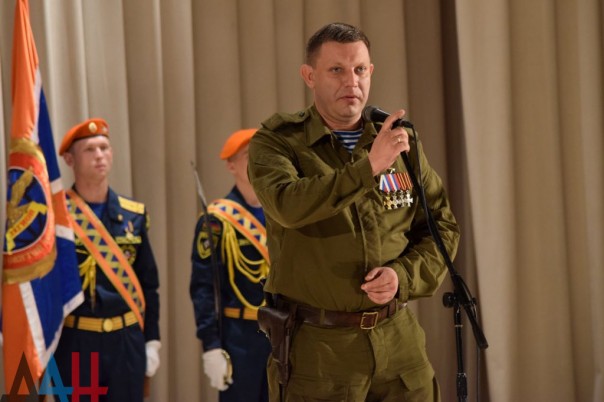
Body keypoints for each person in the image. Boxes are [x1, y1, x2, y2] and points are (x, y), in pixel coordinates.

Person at [247, 22, 460, 401]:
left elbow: (441, 227)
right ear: (309, 76)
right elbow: (287, 205)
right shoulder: (278, 142)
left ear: (371, 71)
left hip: (398, 340)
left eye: (360, 69)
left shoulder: (398, 140)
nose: (352, 81)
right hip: (320, 349)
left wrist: (402, 276)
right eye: (337, 70)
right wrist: (369, 167)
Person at [54, 118, 161, 401]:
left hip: (126, 341)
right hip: (77, 342)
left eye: (104, 148)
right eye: (90, 150)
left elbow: (149, 283)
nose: (100, 155)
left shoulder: (133, 214)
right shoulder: (57, 217)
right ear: (69, 160)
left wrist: (152, 340)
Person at [190, 129, 271, 402]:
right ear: (231, 165)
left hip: (282, 336)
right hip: (240, 338)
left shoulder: (282, 214)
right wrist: (211, 346)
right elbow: (203, 289)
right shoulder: (216, 221)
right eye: (248, 155)